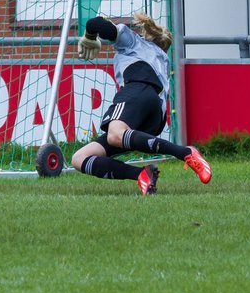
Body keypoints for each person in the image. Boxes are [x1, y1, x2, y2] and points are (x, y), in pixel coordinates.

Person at [72, 11, 211, 194]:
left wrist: (90, 36)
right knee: (80, 158)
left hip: (138, 90)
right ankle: (142, 175)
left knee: (115, 135)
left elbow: (96, 24)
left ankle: (185, 153)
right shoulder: (162, 58)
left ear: (147, 36)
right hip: (155, 116)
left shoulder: (135, 42)